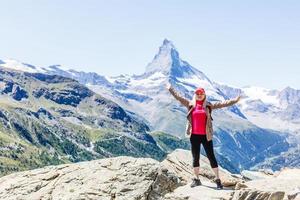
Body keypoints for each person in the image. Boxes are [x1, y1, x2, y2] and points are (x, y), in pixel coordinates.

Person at [166, 83, 241, 189]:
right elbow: (178, 97)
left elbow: (223, 104)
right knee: (195, 158)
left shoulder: (208, 105)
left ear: (204, 95)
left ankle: (218, 180)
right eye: (197, 93)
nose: (199, 95)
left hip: (206, 136)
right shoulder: (190, 104)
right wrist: (170, 89)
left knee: (211, 157)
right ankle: (196, 179)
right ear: (195, 94)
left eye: (201, 93)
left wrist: (235, 100)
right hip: (194, 136)